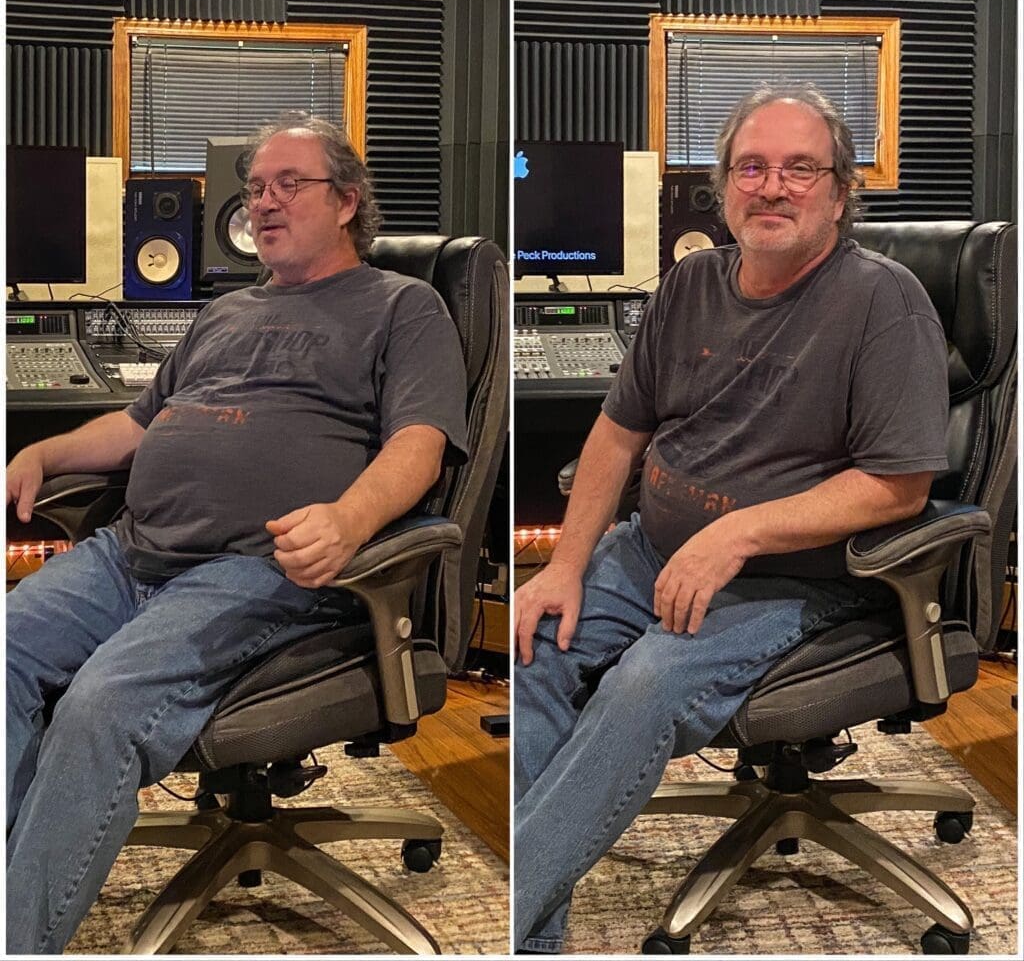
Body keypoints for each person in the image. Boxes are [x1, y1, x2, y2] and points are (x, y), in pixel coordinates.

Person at [5, 113, 468, 954]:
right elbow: (139, 424)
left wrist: (349, 516)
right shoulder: (226, 311)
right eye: (255, 187)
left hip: (261, 568)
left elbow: (420, 445)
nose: (265, 202)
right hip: (131, 555)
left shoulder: (404, 305)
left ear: (348, 202)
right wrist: (43, 449)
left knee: (100, 707)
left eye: (290, 183)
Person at [513, 83, 949, 953]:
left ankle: (512, 921)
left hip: (797, 578)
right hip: (651, 553)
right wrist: (563, 562)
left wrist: (737, 531)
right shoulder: (691, 283)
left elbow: (899, 488)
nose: (772, 187)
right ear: (723, 187)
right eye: (752, 167)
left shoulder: (881, 300)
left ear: (838, 190)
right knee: (534, 650)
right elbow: (616, 432)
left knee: (644, 684)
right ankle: (534, 928)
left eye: (799, 168)